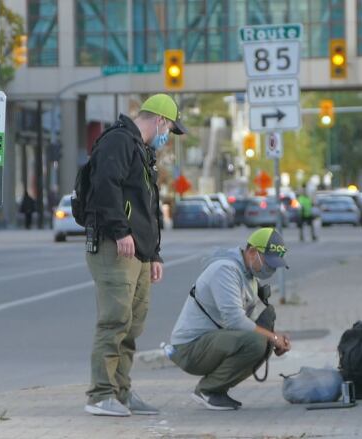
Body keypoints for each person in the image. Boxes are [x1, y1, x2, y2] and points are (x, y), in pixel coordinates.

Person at [84, 94, 187, 417]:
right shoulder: (118, 141)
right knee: (115, 320)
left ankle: (122, 391)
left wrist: (154, 253)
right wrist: (119, 231)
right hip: (115, 246)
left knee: (132, 324)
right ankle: (101, 394)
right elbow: (105, 186)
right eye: (169, 128)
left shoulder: (143, 151)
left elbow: (148, 208)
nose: (168, 136)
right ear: (159, 120)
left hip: (139, 251)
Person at [168, 228, 291, 410]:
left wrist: (275, 342)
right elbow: (235, 321)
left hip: (211, 342)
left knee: (263, 337)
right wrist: (271, 338)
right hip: (189, 348)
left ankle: (215, 390)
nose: (271, 269)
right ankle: (208, 390)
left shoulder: (249, 276)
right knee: (257, 341)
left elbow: (252, 322)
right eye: (269, 262)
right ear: (251, 252)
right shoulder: (225, 269)